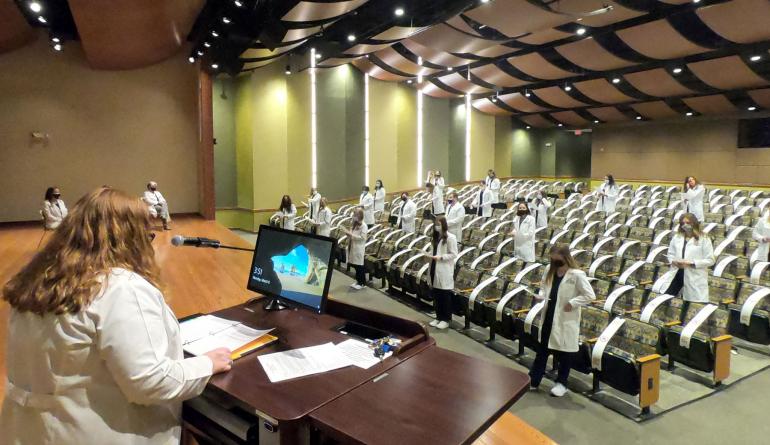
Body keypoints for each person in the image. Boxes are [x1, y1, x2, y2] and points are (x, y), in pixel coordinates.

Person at [0, 187, 232, 444]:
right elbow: (151, 382)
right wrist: (208, 363)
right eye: (148, 235)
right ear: (129, 238)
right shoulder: (120, 287)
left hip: (30, 431)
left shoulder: (39, 281)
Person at [529, 245, 596, 397]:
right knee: (542, 351)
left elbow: (590, 295)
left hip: (566, 319)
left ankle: (562, 383)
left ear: (566, 258)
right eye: (552, 259)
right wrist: (541, 295)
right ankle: (533, 380)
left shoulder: (577, 275)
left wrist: (572, 303)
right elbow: (543, 288)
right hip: (549, 316)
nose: (554, 263)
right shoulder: (549, 270)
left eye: (557, 260)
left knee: (565, 355)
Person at [656, 213, 714, 307]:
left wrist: (691, 263)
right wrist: (673, 261)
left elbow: (710, 260)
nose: (685, 225)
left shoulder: (704, 239)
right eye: (683, 223)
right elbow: (670, 254)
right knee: (665, 299)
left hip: (694, 275)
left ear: (694, 223)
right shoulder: (677, 237)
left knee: (694, 305)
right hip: (677, 272)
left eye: (688, 222)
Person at [428, 216, 458, 330]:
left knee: (444, 296)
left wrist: (441, 257)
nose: (437, 226)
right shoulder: (435, 237)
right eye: (435, 224)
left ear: (444, 225)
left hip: (444, 268)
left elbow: (454, 254)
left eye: (439, 224)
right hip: (434, 267)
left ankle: (446, 319)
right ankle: (438, 317)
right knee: (436, 295)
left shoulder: (451, 238)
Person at [342, 208, 368, 290]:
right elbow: (351, 233)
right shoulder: (354, 224)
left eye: (355, 215)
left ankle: (362, 283)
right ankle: (358, 281)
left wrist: (351, 235)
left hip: (358, 248)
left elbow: (362, 238)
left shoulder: (364, 226)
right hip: (352, 246)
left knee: (359, 266)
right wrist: (348, 234)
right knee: (355, 265)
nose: (354, 217)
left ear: (360, 216)